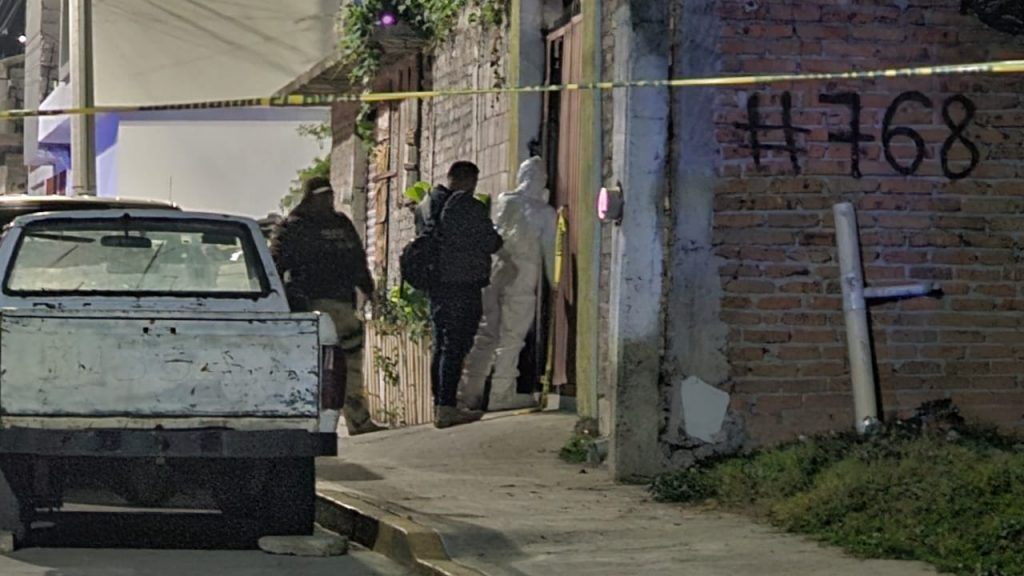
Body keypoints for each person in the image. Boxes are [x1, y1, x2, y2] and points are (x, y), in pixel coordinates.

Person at [270, 176, 383, 436]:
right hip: (310, 308)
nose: (328, 201)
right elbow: (276, 266)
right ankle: (312, 424)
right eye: (322, 196)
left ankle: (357, 419)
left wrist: (368, 289)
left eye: (330, 196)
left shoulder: (339, 223)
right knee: (314, 368)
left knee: (350, 366)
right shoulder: (294, 227)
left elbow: (357, 260)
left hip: (341, 305)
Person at [460, 156, 556, 411]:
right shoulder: (545, 213)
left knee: (488, 333)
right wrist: (556, 284)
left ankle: (471, 392)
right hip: (524, 276)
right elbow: (550, 252)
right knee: (513, 335)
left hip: (497, 273)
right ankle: (501, 393)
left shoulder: (505, 201)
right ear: (541, 180)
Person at [419, 161, 503, 428]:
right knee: (456, 344)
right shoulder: (467, 206)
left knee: (442, 344)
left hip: (436, 284)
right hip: (462, 284)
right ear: (468, 180)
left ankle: (440, 404)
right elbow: (492, 242)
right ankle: (447, 408)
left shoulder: (428, 204)